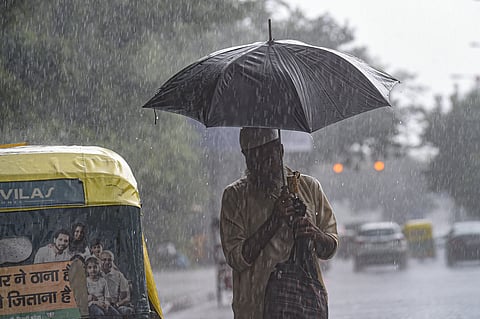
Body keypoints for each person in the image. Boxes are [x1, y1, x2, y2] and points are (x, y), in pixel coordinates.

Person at [220, 128, 339, 319]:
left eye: (269, 157)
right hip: (255, 310)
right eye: (254, 159)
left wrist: (314, 233)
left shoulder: (309, 188)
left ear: (281, 151)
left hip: (305, 308)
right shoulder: (234, 196)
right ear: (245, 157)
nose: (263, 166)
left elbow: (330, 247)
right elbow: (236, 258)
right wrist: (275, 220)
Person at [100, 250, 134, 315]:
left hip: (115, 305)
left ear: (112, 262)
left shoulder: (118, 275)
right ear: (100, 261)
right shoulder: (96, 275)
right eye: (104, 260)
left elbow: (127, 297)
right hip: (100, 305)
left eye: (109, 260)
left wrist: (117, 304)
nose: (107, 262)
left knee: (126, 311)